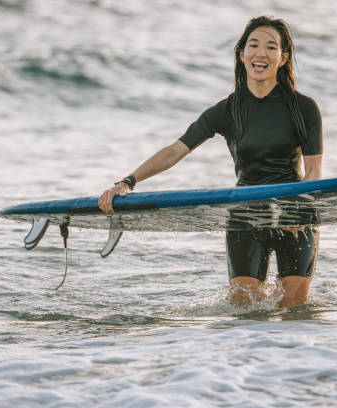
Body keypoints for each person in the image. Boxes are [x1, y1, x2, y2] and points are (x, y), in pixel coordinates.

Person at [98, 16, 322, 308]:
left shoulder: (304, 108)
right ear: (241, 54)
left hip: (293, 216)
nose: (261, 53)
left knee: (294, 311)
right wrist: (127, 182)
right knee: (244, 311)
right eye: (253, 45)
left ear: (283, 58)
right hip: (245, 217)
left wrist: (299, 208)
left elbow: (315, 170)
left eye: (271, 47)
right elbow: (175, 151)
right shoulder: (226, 111)